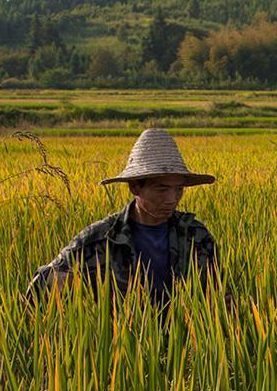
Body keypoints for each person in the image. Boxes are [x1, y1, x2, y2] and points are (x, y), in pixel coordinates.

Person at [28, 128, 218, 303]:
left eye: (178, 190)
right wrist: (72, 284)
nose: (172, 199)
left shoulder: (196, 235)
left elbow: (219, 290)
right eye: (162, 189)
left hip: (186, 337)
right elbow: (39, 285)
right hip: (123, 336)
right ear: (135, 187)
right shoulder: (100, 238)